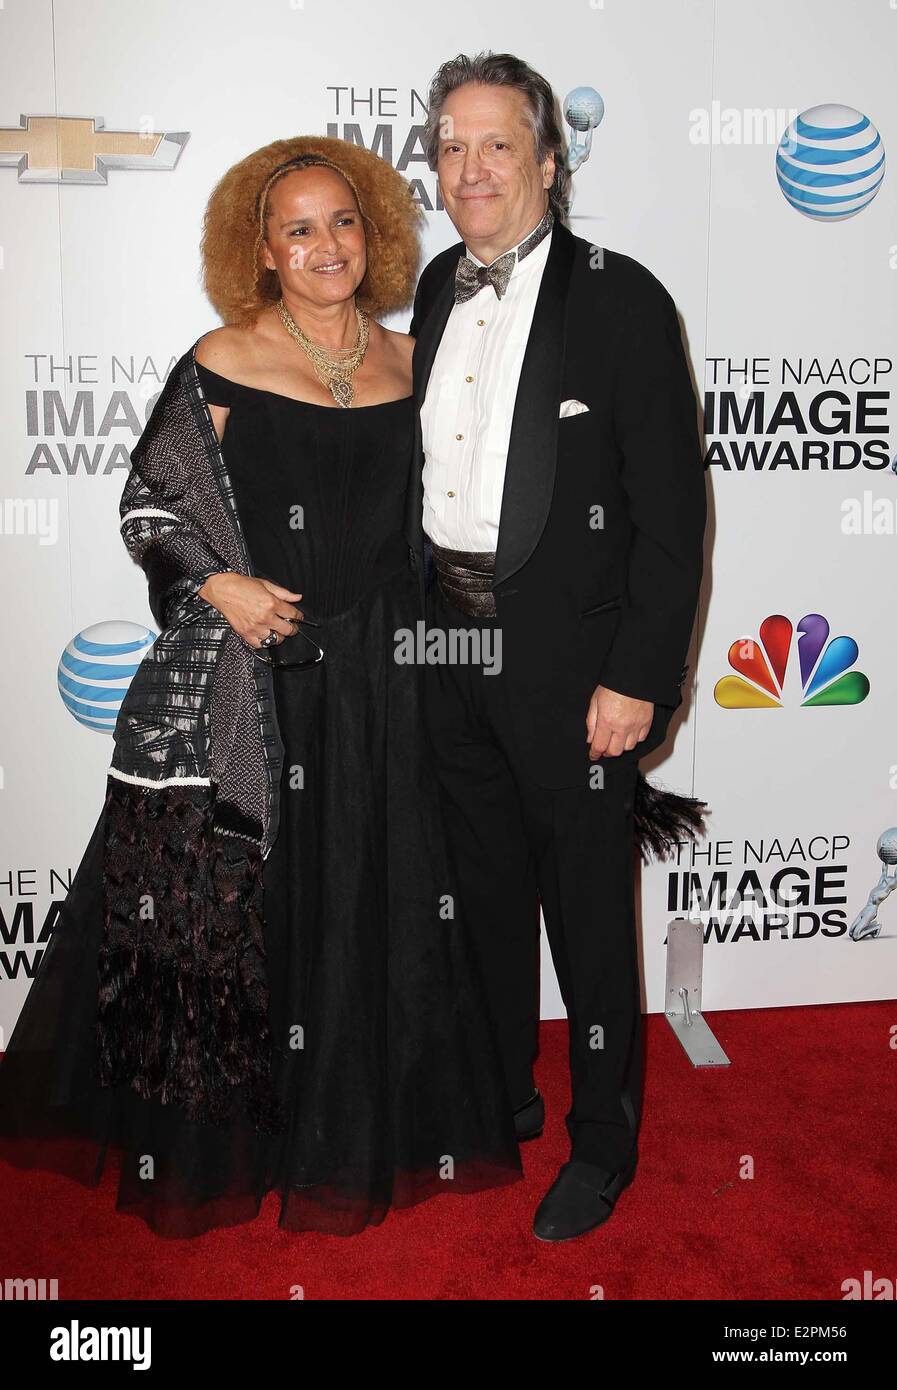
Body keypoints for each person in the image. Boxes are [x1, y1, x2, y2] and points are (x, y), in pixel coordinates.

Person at [0, 135, 522, 1238]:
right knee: (259, 911)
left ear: (372, 231)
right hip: (269, 675)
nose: (326, 244)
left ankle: (359, 1125)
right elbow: (152, 504)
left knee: (376, 900)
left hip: (389, 680)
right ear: (264, 249)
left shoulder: (414, 359)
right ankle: (243, 1137)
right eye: (299, 227)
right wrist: (221, 582)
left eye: (344, 221)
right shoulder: (225, 356)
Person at [407, 54, 708, 1242]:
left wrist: (640, 676)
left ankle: (604, 1140)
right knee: (478, 898)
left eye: (496, 145)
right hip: (446, 650)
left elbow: (674, 515)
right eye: (450, 147)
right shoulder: (433, 289)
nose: (470, 169)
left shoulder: (622, 298)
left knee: (586, 914)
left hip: (576, 670)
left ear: (547, 160)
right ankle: (505, 1097)